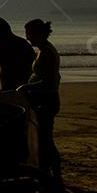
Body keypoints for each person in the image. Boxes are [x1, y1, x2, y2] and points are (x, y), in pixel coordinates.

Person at [20, 18, 62, 181]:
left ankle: (56, 177)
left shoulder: (47, 53)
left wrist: (27, 87)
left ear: (38, 33)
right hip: (41, 100)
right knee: (42, 139)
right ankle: (46, 173)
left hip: (46, 101)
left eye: (29, 34)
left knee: (46, 140)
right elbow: (57, 77)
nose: (27, 37)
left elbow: (50, 81)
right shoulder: (43, 50)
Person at [0, 17, 35, 91]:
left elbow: (27, 67)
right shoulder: (23, 43)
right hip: (9, 85)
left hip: (20, 84)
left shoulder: (20, 45)